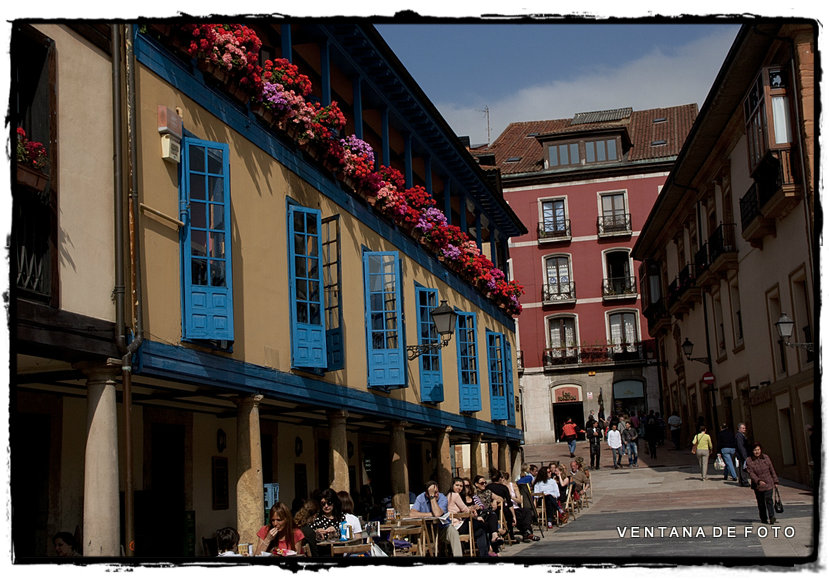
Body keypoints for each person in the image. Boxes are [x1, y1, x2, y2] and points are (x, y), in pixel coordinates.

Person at [409, 480, 463, 557]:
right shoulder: (420, 498)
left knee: (454, 532)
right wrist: (431, 514)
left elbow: (437, 514)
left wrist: (432, 498)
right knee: (418, 533)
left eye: (437, 492)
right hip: (427, 529)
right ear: (426, 494)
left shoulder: (442, 498)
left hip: (443, 528)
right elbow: (412, 514)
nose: (436, 494)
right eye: (433, 493)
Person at [445, 477, 490, 555]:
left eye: (461, 486)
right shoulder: (455, 495)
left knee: (481, 531)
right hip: (457, 526)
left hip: (454, 525)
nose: (459, 488)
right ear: (452, 485)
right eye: (457, 485)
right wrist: (476, 516)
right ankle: (488, 551)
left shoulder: (448, 495)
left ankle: (485, 554)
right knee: (484, 525)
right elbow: (465, 510)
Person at [745, 442, 780, 524]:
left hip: (768, 482)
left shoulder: (766, 457)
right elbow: (751, 473)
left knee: (769, 500)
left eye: (758, 450)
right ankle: (763, 518)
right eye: (755, 450)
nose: (757, 452)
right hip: (758, 485)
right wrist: (758, 481)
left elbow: (772, 469)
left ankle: (771, 516)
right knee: (761, 502)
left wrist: (775, 480)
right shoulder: (749, 460)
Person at [471, 474, 504, 554]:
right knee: (491, 517)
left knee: (492, 515)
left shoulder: (488, 492)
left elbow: (501, 498)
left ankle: (494, 539)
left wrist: (495, 501)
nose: (484, 484)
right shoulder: (474, 494)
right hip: (480, 515)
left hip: (489, 514)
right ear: (476, 484)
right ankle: (496, 535)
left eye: (485, 482)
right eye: (482, 483)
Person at [735, 423, 751, 487]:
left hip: (742, 454)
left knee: (742, 467)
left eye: (745, 428)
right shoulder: (739, 436)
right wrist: (744, 455)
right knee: (743, 468)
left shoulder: (742, 435)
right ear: (739, 428)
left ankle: (742, 481)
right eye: (743, 428)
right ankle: (744, 481)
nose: (745, 429)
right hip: (742, 454)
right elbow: (741, 446)